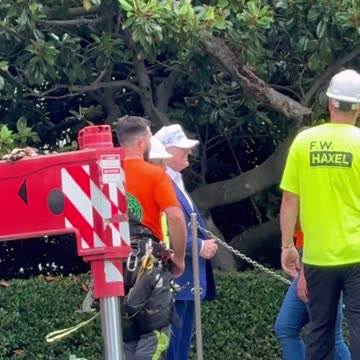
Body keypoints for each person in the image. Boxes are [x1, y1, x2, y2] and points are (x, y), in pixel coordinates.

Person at [280, 69, 360, 360]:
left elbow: (290, 198)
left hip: (317, 256)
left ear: (329, 103)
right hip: (356, 253)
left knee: (320, 331)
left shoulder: (304, 142)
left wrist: (288, 245)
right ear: (359, 107)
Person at [115, 116, 187, 360]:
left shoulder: (101, 175)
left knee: (124, 340)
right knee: (155, 335)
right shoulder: (154, 175)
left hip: (113, 264)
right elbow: (176, 218)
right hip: (147, 266)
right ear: (142, 142)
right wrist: (178, 257)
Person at [155, 124, 218, 360]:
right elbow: (168, 228)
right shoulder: (163, 181)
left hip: (186, 276)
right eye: (182, 148)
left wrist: (203, 242)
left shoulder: (174, 180)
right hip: (178, 276)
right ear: (167, 152)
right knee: (174, 346)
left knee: (181, 345)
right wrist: (200, 246)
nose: (188, 152)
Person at [275, 226, 350, 360]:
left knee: (331, 333)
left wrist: (306, 273)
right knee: (286, 327)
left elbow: (322, 228)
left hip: (322, 257)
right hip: (311, 254)